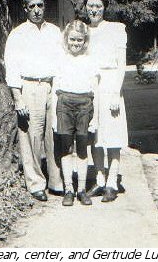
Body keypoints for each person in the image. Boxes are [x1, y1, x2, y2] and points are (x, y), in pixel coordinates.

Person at [4, 0, 63, 201]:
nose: (37, 10)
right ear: (25, 8)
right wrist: (17, 97)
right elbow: (11, 68)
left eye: (40, 5)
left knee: (54, 135)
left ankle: (56, 181)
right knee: (32, 136)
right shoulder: (17, 34)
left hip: (53, 86)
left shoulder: (55, 32)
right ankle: (36, 182)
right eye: (32, 6)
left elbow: (62, 62)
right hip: (29, 87)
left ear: (45, 6)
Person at [78, 0, 128, 202]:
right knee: (94, 135)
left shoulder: (116, 29)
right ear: (86, 7)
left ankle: (112, 182)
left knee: (113, 135)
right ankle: (99, 179)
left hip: (110, 85)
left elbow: (121, 64)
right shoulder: (83, 30)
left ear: (105, 7)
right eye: (90, 6)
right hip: (91, 86)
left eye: (98, 6)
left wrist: (116, 92)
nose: (94, 10)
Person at [53, 20, 99, 206]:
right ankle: (68, 189)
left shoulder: (90, 60)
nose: (75, 43)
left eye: (79, 40)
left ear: (85, 40)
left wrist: (94, 118)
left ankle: (81, 189)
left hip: (84, 105)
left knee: (81, 148)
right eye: (72, 39)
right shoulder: (61, 59)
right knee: (66, 148)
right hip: (64, 103)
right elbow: (56, 88)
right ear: (66, 39)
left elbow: (95, 90)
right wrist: (55, 117)